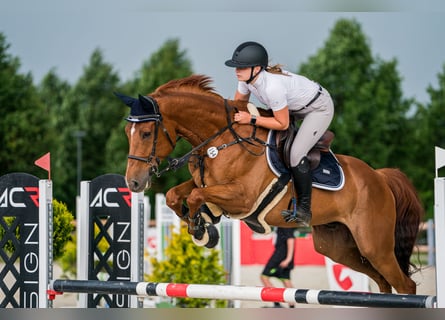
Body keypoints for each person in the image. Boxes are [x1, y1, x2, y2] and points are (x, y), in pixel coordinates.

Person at [225, 41, 334, 226]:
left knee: (296, 154)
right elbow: (238, 106)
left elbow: (282, 124)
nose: (237, 70)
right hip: (292, 107)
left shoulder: (271, 87)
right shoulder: (246, 81)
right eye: (236, 66)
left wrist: (251, 119)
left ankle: (304, 209)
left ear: (257, 68)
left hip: (318, 108)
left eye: (242, 67)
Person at [260, 227, 297, 308]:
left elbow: (291, 239)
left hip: (279, 258)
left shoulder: (284, 223)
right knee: (286, 280)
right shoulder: (280, 224)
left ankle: (277, 303)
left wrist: (288, 259)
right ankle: (292, 307)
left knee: (264, 276)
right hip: (281, 256)